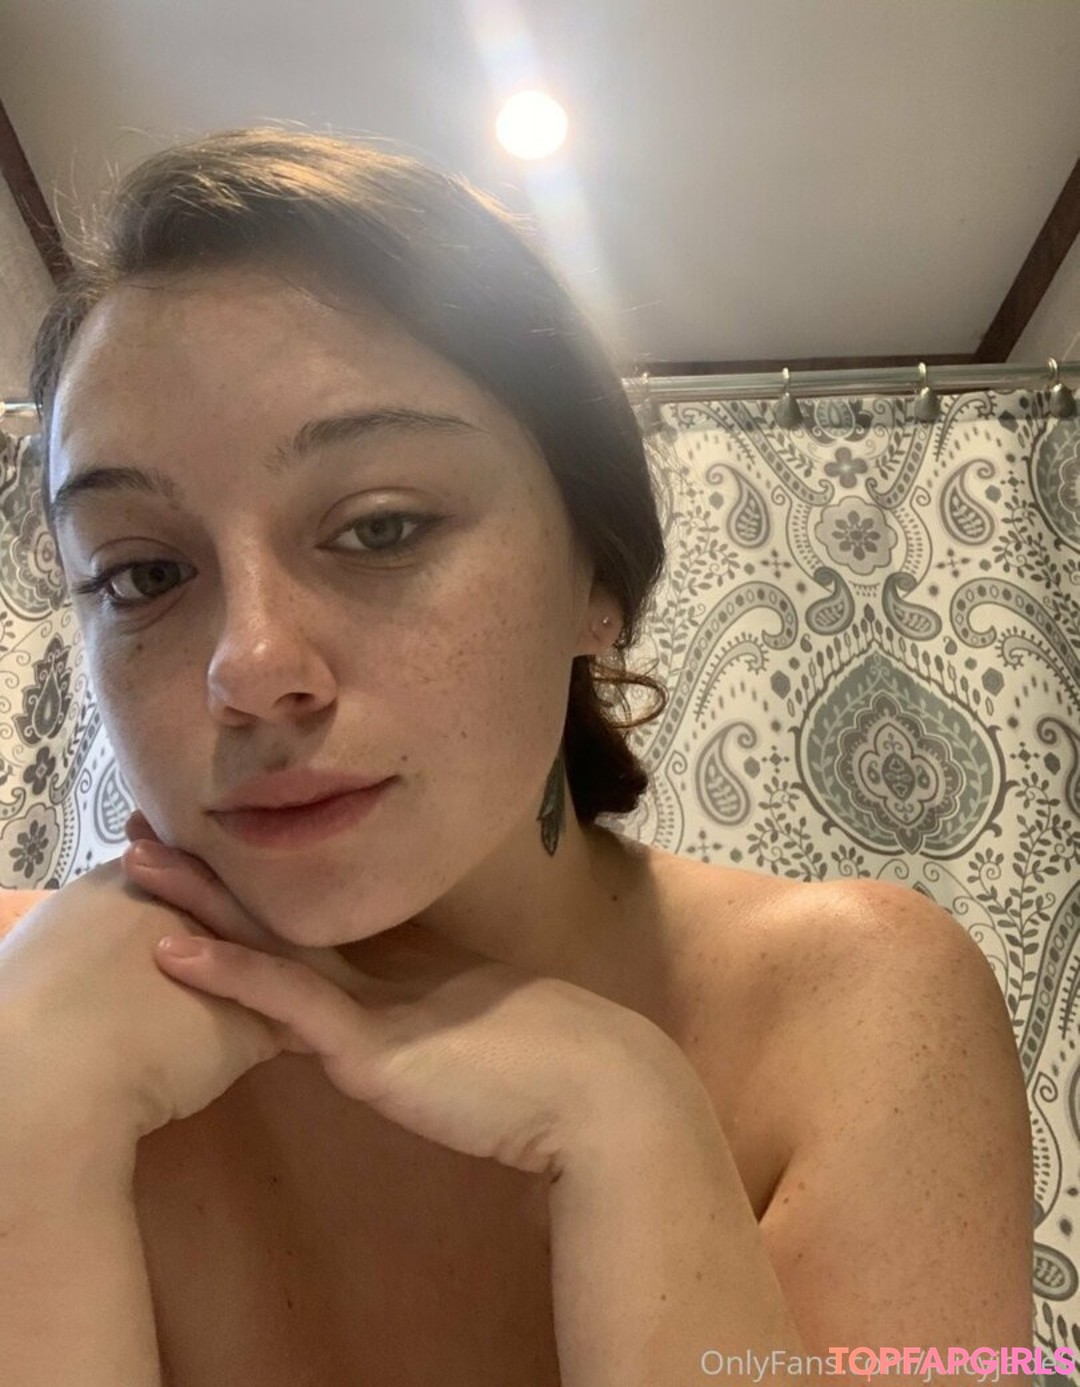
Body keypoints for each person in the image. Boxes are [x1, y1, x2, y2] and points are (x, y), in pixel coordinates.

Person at [0, 127, 1037, 1387]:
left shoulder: (856, 1006)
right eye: (143, 573)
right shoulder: (25, 1005)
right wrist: (30, 1120)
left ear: (594, 577)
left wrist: (630, 1123)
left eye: (380, 528)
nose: (251, 664)